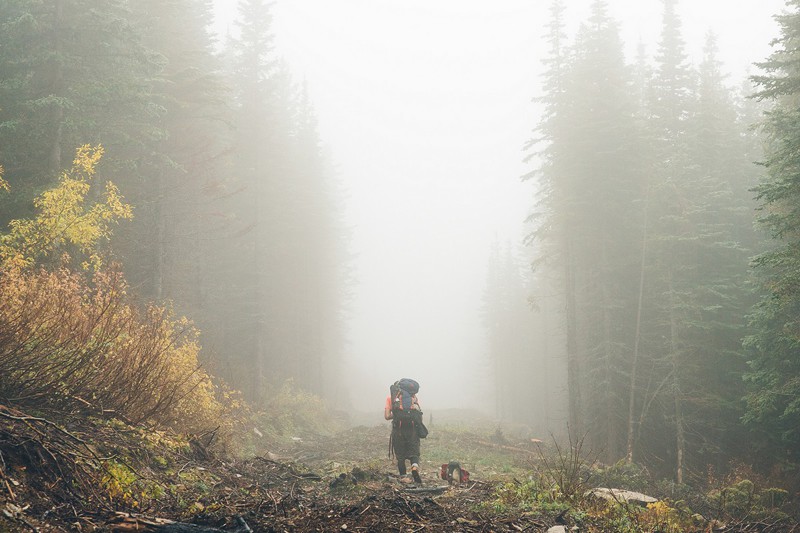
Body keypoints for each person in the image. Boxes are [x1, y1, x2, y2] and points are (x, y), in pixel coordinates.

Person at [385, 387, 423, 483]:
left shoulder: (391, 398)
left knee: (400, 456)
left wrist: (398, 414)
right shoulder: (413, 398)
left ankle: (404, 477)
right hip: (412, 429)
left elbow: (387, 416)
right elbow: (419, 415)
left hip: (398, 430)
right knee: (414, 452)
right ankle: (414, 466)